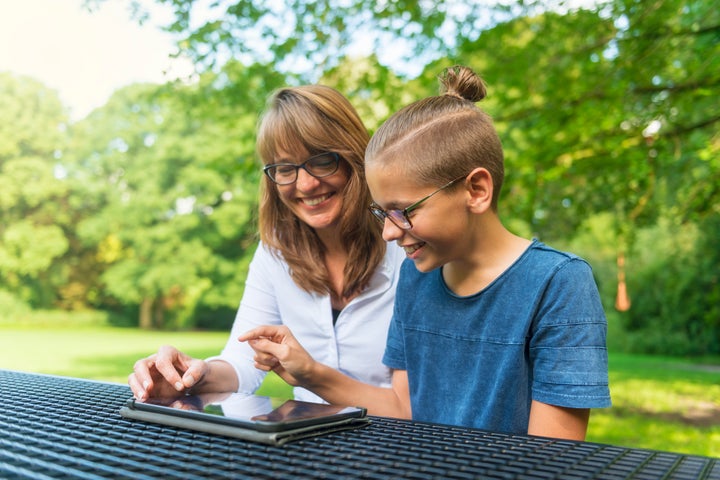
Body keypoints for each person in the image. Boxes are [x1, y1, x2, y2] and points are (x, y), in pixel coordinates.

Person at [240, 65, 611, 440]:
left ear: (476, 190)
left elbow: (553, 454)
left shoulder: (558, 283)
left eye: (404, 211)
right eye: (381, 213)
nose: (387, 232)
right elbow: (404, 410)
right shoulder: (416, 278)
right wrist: (310, 372)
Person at [129, 84, 404, 403]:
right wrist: (193, 375)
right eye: (286, 169)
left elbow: (413, 403)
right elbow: (243, 363)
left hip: (397, 445)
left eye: (322, 161)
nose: (306, 184)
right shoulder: (275, 252)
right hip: (308, 445)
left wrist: (312, 374)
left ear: (355, 158)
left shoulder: (407, 245)